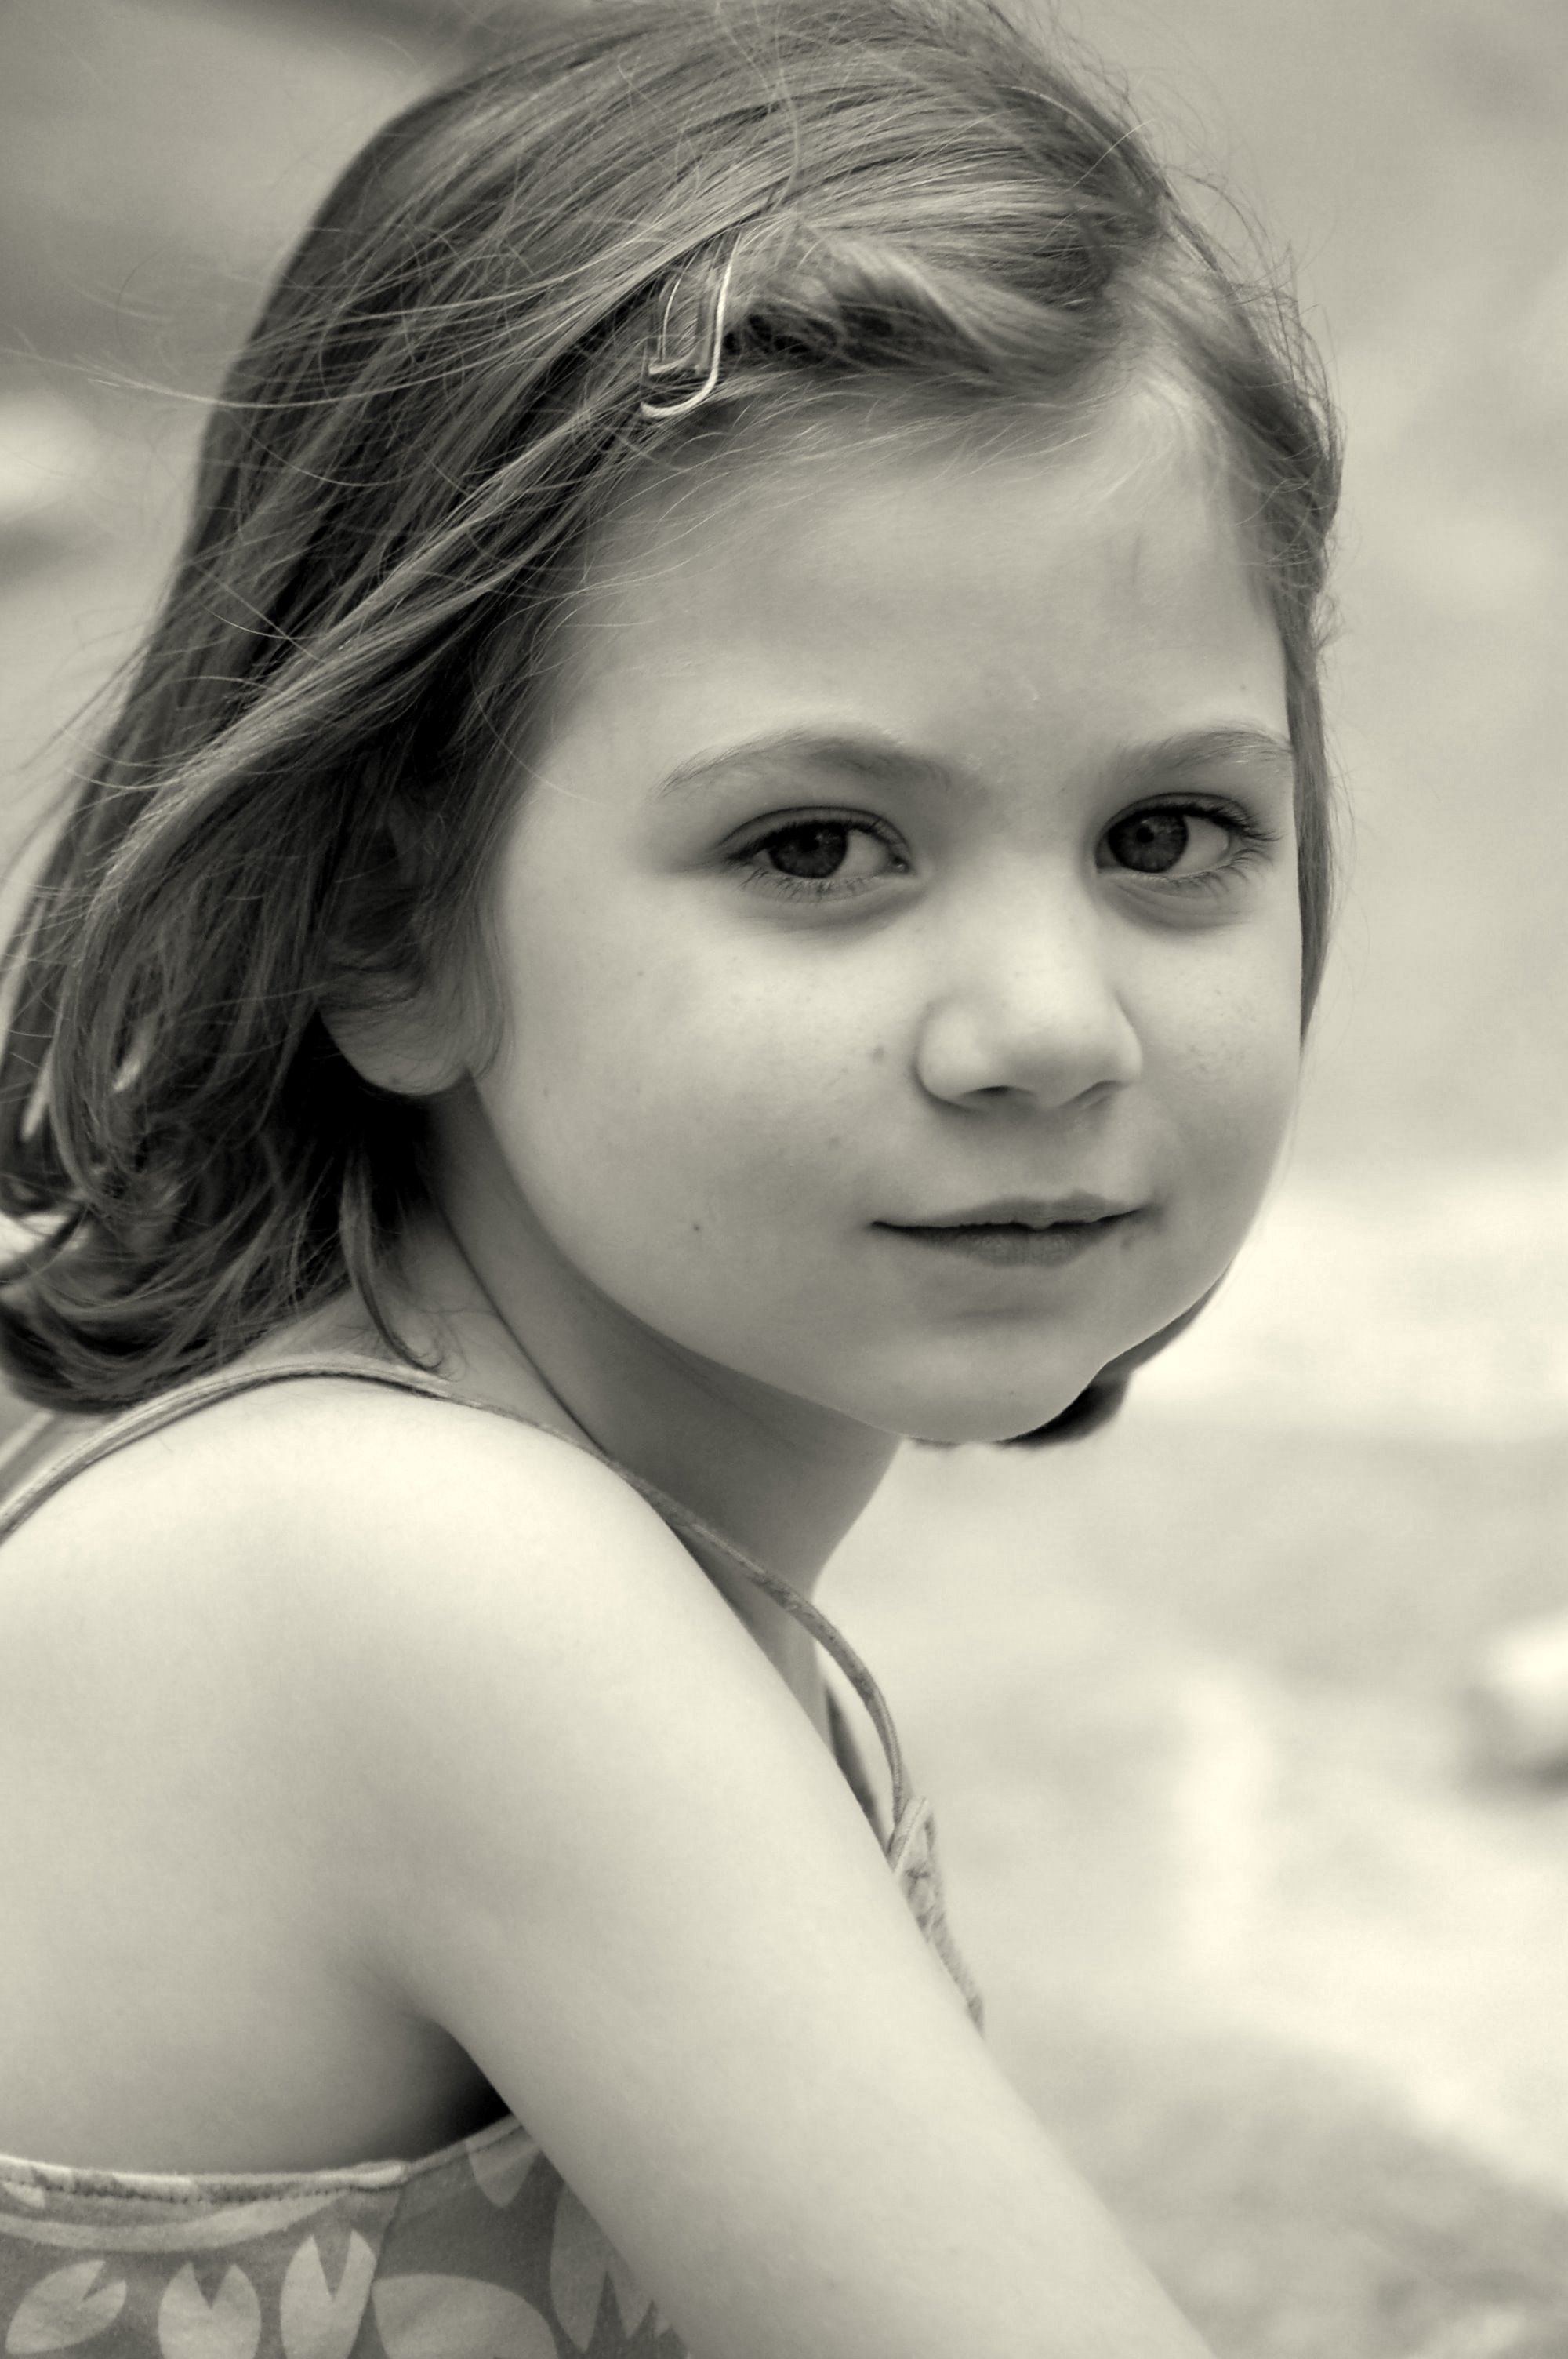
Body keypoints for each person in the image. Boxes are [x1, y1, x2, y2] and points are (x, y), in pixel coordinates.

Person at [0, 0, 1339, 2350]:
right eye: (816, 847)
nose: (1050, 1026)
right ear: (384, 923)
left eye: (1168, 834)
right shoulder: (418, 1581)